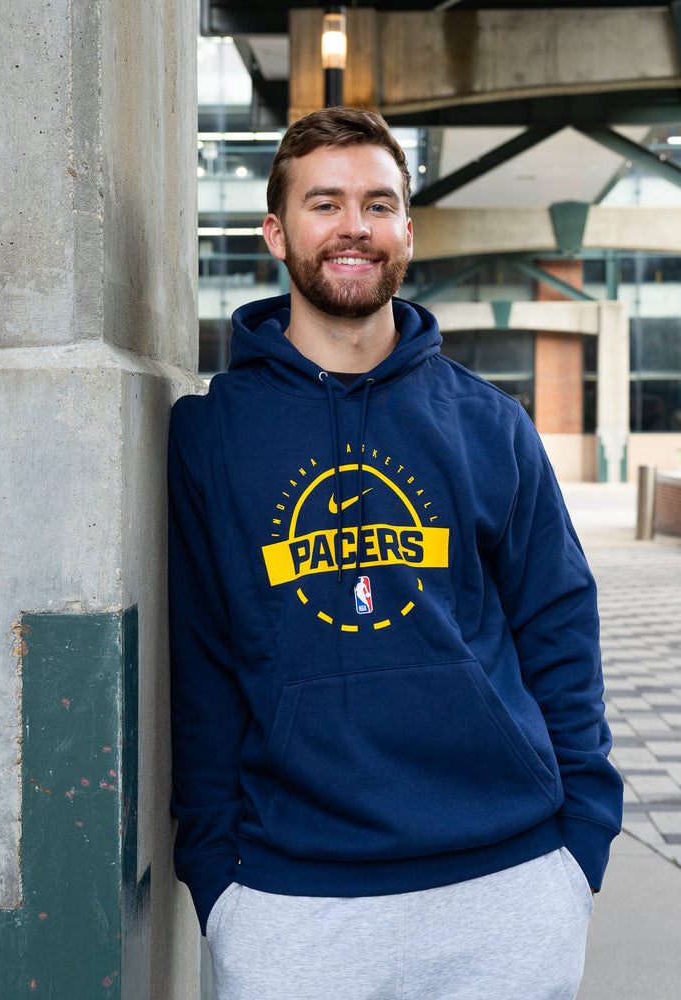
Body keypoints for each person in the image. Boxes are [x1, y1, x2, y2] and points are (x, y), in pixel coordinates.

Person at [168, 106, 623, 1000]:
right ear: (276, 231)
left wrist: (580, 847)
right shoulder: (211, 436)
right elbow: (199, 662)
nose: (353, 228)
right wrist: (220, 880)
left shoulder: (491, 423)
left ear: (406, 232)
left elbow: (561, 631)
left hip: (510, 888)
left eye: (379, 205)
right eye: (325, 203)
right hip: (292, 904)